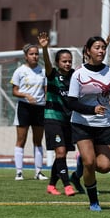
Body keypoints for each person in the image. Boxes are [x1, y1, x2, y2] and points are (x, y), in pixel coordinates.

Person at [68, 36, 110, 211]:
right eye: (97, 47)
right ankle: (94, 202)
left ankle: (81, 164)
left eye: (103, 48)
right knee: (90, 163)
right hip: (82, 123)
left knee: (105, 167)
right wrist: (91, 110)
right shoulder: (78, 74)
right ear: (88, 50)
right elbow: (71, 102)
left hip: (104, 124)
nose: (101, 51)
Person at [39, 32, 76, 196]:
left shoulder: (75, 76)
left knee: (62, 154)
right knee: (60, 152)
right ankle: (67, 185)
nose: (67, 63)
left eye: (69, 61)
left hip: (68, 120)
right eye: (64, 61)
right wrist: (45, 49)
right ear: (57, 62)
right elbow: (47, 65)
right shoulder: (52, 74)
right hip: (52, 119)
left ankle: (51, 185)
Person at [11, 43, 48, 181]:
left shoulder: (42, 71)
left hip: (39, 108)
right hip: (24, 108)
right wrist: (26, 96)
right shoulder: (19, 71)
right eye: (32, 54)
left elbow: (46, 90)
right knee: (21, 140)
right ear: (26, 56)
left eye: (36, 54)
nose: (35, 56)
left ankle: (38, 172)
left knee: (38, 141)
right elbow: (14, 91)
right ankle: (19, 172)